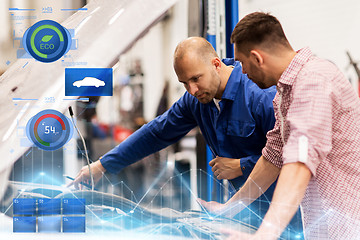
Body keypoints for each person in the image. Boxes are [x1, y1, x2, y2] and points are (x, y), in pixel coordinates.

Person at [69, 37, 283, 230]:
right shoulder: (196, 101)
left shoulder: (261, 95)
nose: (192, 90)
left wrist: (241, 165)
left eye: (196, 79)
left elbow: (289, 157)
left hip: (284, 212)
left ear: (216, 64)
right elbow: (156, 133)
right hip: (241, 211)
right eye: (184, 83)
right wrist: (102, 165)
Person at [199, 12, 360, 240]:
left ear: (257, 58)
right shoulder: (285, 92)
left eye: (242, 64)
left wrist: (265, 235)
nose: (242, 72)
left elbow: (299, 161)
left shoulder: (314, 80)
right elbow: (273, 157)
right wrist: (229, 209)